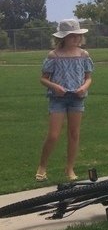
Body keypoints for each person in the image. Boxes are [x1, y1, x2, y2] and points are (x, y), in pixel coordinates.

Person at [35, 19, 94, 182]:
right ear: (63, 38)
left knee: (74, 134)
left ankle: (69, 168)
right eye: (71, 36)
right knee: (53, 135)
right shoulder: (54, 56)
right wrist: (55, 87)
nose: (76, 38)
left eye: (77, 35)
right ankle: (42, 166)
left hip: (77, 98)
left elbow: (88, 77)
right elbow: (43, 79)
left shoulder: (84, 55)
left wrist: (84, 87)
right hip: (58, 99)